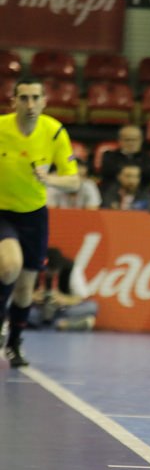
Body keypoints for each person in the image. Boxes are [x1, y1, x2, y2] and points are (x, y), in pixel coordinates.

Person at [0, 77, 80, 367]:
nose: (30, 104)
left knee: (24, 288)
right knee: (9, 265)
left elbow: (74, 181)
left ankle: (14, 345)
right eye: (24, 98)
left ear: (45, 101)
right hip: (1, 212)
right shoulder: (1, 129)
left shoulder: (54, 131)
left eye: (36, 98)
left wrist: (51, 179)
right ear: (14, 102)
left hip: (34, 214)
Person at [28, 247, 97, 331]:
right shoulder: (32, 267)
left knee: (92, 306)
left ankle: (47, 324)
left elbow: (82, 297)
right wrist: (31, 296)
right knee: (18, 309)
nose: (49, 274)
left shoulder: (70, 269)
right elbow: (17, 294)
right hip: (37, 310)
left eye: (53, 271)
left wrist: (64, 299)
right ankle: (62, 324)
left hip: (62, 310)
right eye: (47, 271)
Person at [100, 124, 150, 189]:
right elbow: (108, 173)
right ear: (119, 140)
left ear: (141, 141)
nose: (131, 143)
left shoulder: (148, 158)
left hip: (140, 191)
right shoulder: (109, 156)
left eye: (134, 140)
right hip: (114, 191)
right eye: (127, 140)